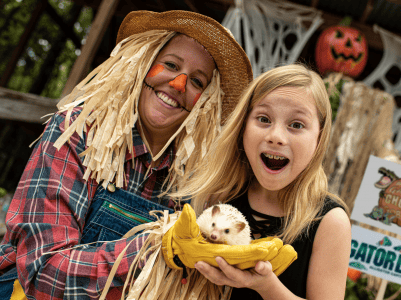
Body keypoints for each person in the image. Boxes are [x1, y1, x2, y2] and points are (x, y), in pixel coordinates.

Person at [0, 10, 253, 299]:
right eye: (170, 64)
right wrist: (155, 249)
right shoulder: (78, 131)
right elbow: (43, 273)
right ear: (142, 63)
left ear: (206, 102)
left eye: (198, 82)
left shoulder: (197, 181)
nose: (179, 84)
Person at [170, 64, 352, 300]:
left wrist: (267, 287)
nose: (276, 137)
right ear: (243, 127)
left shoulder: (329, 222)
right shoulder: (216, 195)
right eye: (264, 119)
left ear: (319, 138)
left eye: (296, 125)